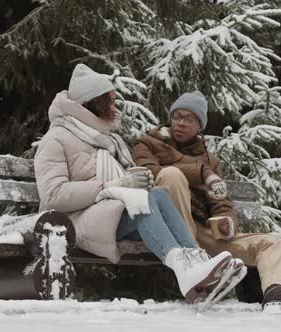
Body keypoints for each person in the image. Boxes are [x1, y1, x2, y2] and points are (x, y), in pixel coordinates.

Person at [34, 65, 242, 304]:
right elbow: (52, 196)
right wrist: (112, 185)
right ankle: (185, 271)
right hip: (72, 221)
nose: (115, 107)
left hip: (106, 214)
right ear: (91, 103)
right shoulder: (56, 138)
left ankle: (198, 266)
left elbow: (127, 185)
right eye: (109, 102)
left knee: (158, 196)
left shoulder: (109, 140)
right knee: (145, 201)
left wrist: (137, 181)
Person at [131, 90, 281, 313]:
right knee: (170, 175)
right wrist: (201, 172)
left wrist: (227, 221)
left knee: (269, 242)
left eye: (189, 119)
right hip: (166, 227)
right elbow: (149, 173)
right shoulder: (147, 143)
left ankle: (276, 293)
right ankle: (194, 263)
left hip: (202, 232)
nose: (181, 123)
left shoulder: (211, 161)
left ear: (200, 126)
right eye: (177, 116)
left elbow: (221, 200)